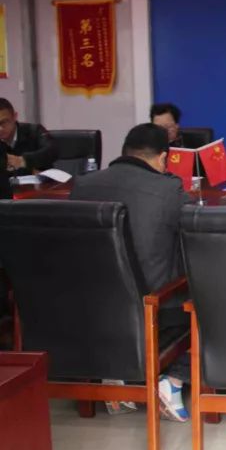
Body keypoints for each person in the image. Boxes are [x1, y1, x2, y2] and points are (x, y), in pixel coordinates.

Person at [70, 123, 191, 422]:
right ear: (163, 158)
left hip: (91, 308)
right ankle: (173, 380)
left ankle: (116, 376)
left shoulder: (83, 184)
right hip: (152, 309)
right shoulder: (168, 189)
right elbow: (193, 231)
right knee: (207, 295)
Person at [0, 97, 59, 176]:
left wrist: (22, 161)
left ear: (14, 117)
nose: (0, 129)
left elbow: (53, 150)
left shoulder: (34, 131)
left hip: (40, 183)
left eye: (4, 122)